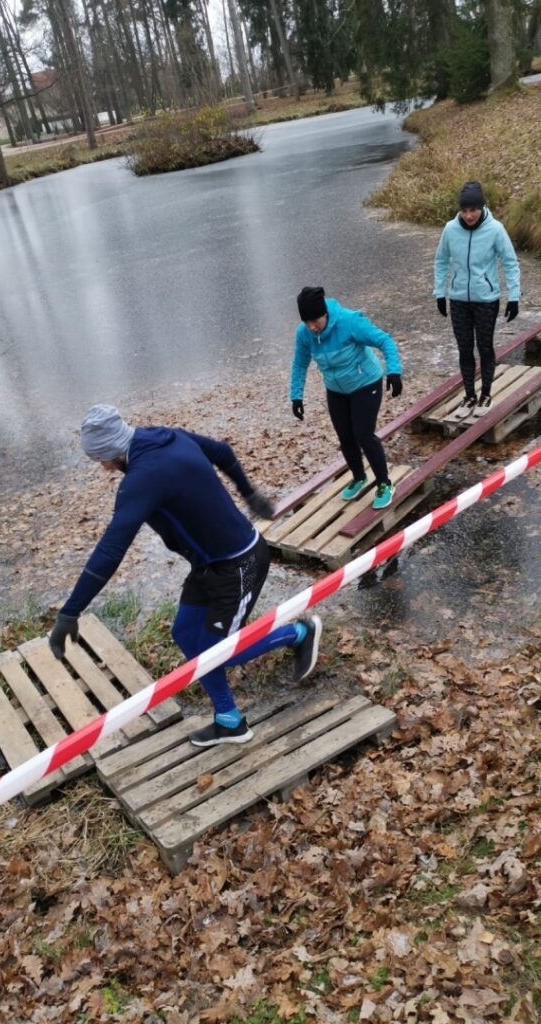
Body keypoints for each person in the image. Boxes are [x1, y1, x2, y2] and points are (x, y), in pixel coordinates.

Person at [48, 404, 322, 748]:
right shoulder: (167, 437)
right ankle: (229, 721)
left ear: (112, 449)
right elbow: (222, 452)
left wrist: (70, 611)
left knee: (216, 651)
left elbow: (110, 550)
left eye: (100, 458)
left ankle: (299, 633)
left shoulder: (142, 479)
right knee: (185, 633)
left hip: (239, 564)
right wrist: (248, 492)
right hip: (209, 566)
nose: (103, 467)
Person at [290, 287, 403, 511]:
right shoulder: (304, 334)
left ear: (325, 313)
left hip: (365, 383)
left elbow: (385, 341)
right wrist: (296, 396)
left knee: (363, 433)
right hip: (336, 389)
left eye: (315, 320)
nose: (311, 327)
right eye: (306, 321)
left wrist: (394, 372)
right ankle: (359, 477)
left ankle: (384, 484)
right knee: (345, 436)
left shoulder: (349, 322)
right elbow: (300, 363)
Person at [433, 180, 521, 410]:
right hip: (459, 299)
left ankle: (487, 393)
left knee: (484, 347)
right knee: (464, 348)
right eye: (464, 210)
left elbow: (510, 263)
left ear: (481, 207)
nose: (469, 215)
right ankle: (470, 394)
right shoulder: (450, 229)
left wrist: (514, 297)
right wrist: (439, 293)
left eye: (473, 210)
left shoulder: (495, 229)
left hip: (486, 299)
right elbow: (441, 261)